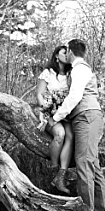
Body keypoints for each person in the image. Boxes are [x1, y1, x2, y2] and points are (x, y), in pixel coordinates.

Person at [51, 38, 105, 211]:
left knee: (84, 167)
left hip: (86, 118)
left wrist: (56, 117)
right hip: (89, 117)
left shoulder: (79, 69)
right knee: (94, 169)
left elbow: (75, 96)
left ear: (70, 51)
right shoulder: (81, 69)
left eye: (66, 51)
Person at [36, 44, 73, 193]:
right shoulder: (48, 73)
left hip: (67, 113)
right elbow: (39, 94)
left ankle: (60, 177)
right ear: (57, 56)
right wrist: (47, 110)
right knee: (60, 134)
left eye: (68, 53)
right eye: (64, 53)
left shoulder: (71, 74)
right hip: (50, 111)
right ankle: (52, 169)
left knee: (71, 136)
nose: (66, 55)